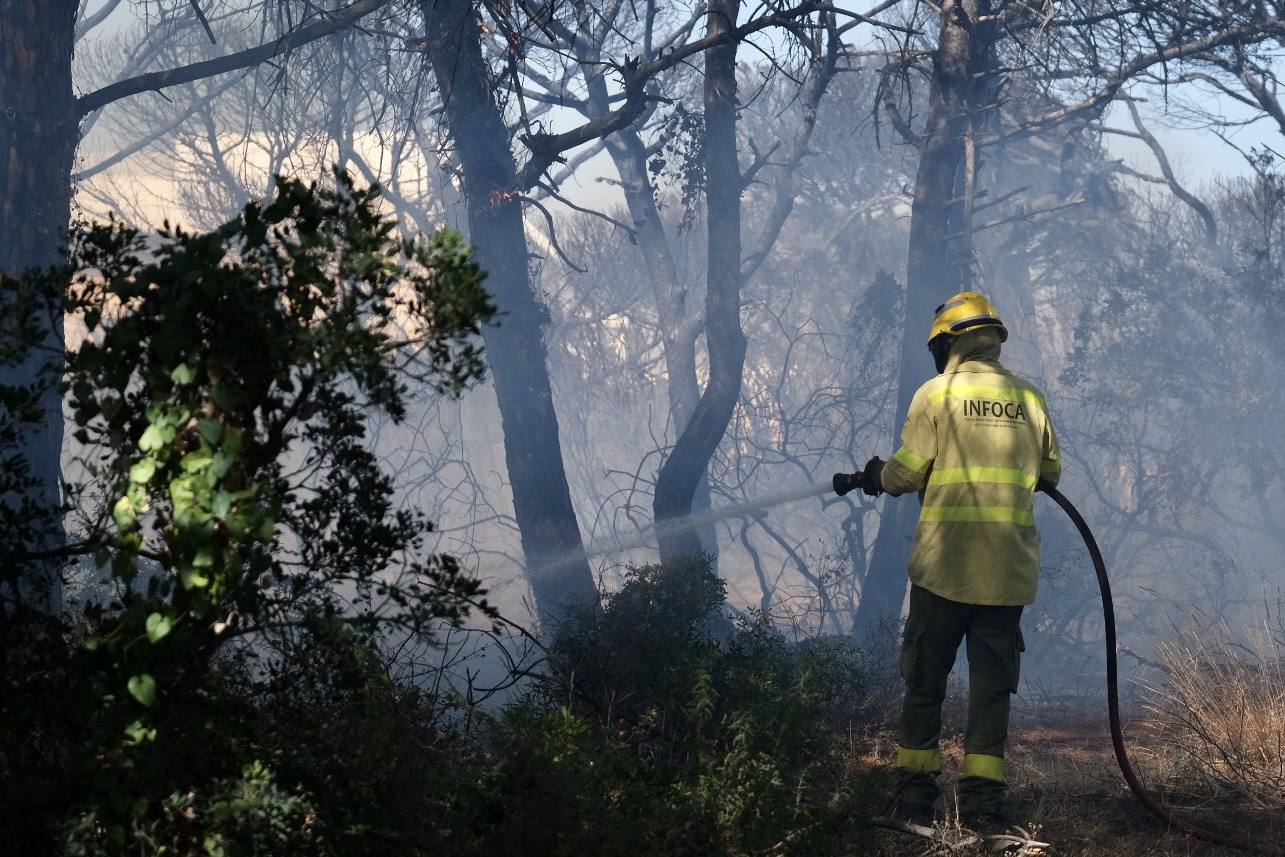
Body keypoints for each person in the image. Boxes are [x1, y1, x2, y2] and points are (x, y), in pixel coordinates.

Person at [859, 290, 1060, 825]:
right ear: (991, 339)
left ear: (948, 342)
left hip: (943, 570)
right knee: (991, 695)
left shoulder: (937, 394)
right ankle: (982, 811)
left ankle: (914, 802)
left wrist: (877, 475)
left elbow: (904, 473)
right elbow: (1050, 474)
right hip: (1006, 576)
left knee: (925, 683)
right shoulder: (1030, 399)